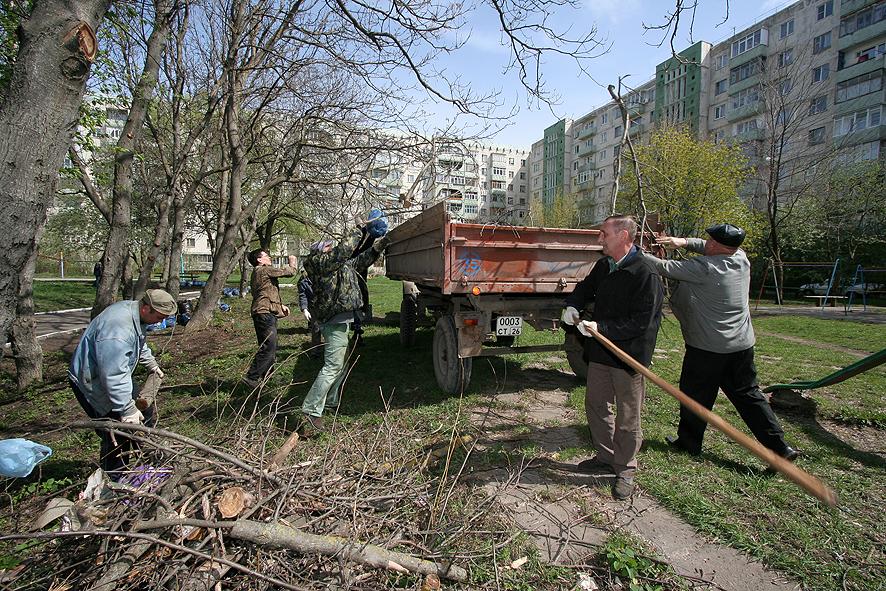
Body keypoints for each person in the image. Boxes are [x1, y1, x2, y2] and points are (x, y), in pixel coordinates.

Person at [642, 223, 798, 461]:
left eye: (711, 242)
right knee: (749, 395)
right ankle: (780, 447)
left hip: (707, 349)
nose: (707, 244)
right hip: (742, 346)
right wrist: (683, 242)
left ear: (717, 245)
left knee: (695, 396)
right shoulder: (741, 258)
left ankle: (689, 443)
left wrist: (633, 252)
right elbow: (708, 247)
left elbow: (664, 267)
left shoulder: (704, 268)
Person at [562, 215, 664, 500]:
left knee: (628, 415)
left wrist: (601, 328)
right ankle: (605, 456)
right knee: (596, 404)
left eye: (603, 234)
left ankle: (626, 469)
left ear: (623, 236)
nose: (599, 239)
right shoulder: (605, 265)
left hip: (628, 356)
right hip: (600, 353)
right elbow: (585, 287)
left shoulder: (645, 273)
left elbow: (641, 323)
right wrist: (572, 304)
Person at [68, 289, 177, 477]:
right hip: (93, 382)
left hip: (114, 375)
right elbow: (112, 375)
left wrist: (151, 364)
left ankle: (147, 456)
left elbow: (139, 344)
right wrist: (126, 410)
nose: (161, 322)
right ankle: (114, 479)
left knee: (144, 411)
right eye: (159, 317)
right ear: (145, 308)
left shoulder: (135, 315)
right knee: (117, 432)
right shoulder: (117, 329)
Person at [299, 213, 389, 437]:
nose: (332, 248)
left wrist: (377, 248)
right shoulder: (320, 263)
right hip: (335, 320)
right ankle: (311, 411)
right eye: (328, 246)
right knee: (332, 367)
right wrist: (358, 230)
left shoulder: (335, 266)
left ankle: (330, 401)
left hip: (342, 319)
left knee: (341, 364)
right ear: (322, 251)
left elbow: (358, 261)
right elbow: (344, 251)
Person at [243, 249, 297, 389]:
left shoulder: (258, 273)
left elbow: (265, 292)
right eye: (266, 256)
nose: (269, 257)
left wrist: (280, 306)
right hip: (264, 313)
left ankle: (267, 379)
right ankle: (251, 377)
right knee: (269, 347)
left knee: (267, 346)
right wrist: (293, 262)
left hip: (263, 311)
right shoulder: (263, 270)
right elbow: (289, 272)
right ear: (260, 260)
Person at [297, 270, 322, 358]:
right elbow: (302, 296)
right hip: (313, 308)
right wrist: (304, 309)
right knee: (316, 329)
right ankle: (315, 352)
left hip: (326, 306)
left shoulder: (324, 278)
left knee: (329, 329)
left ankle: (332, 350)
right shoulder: (304, 282)